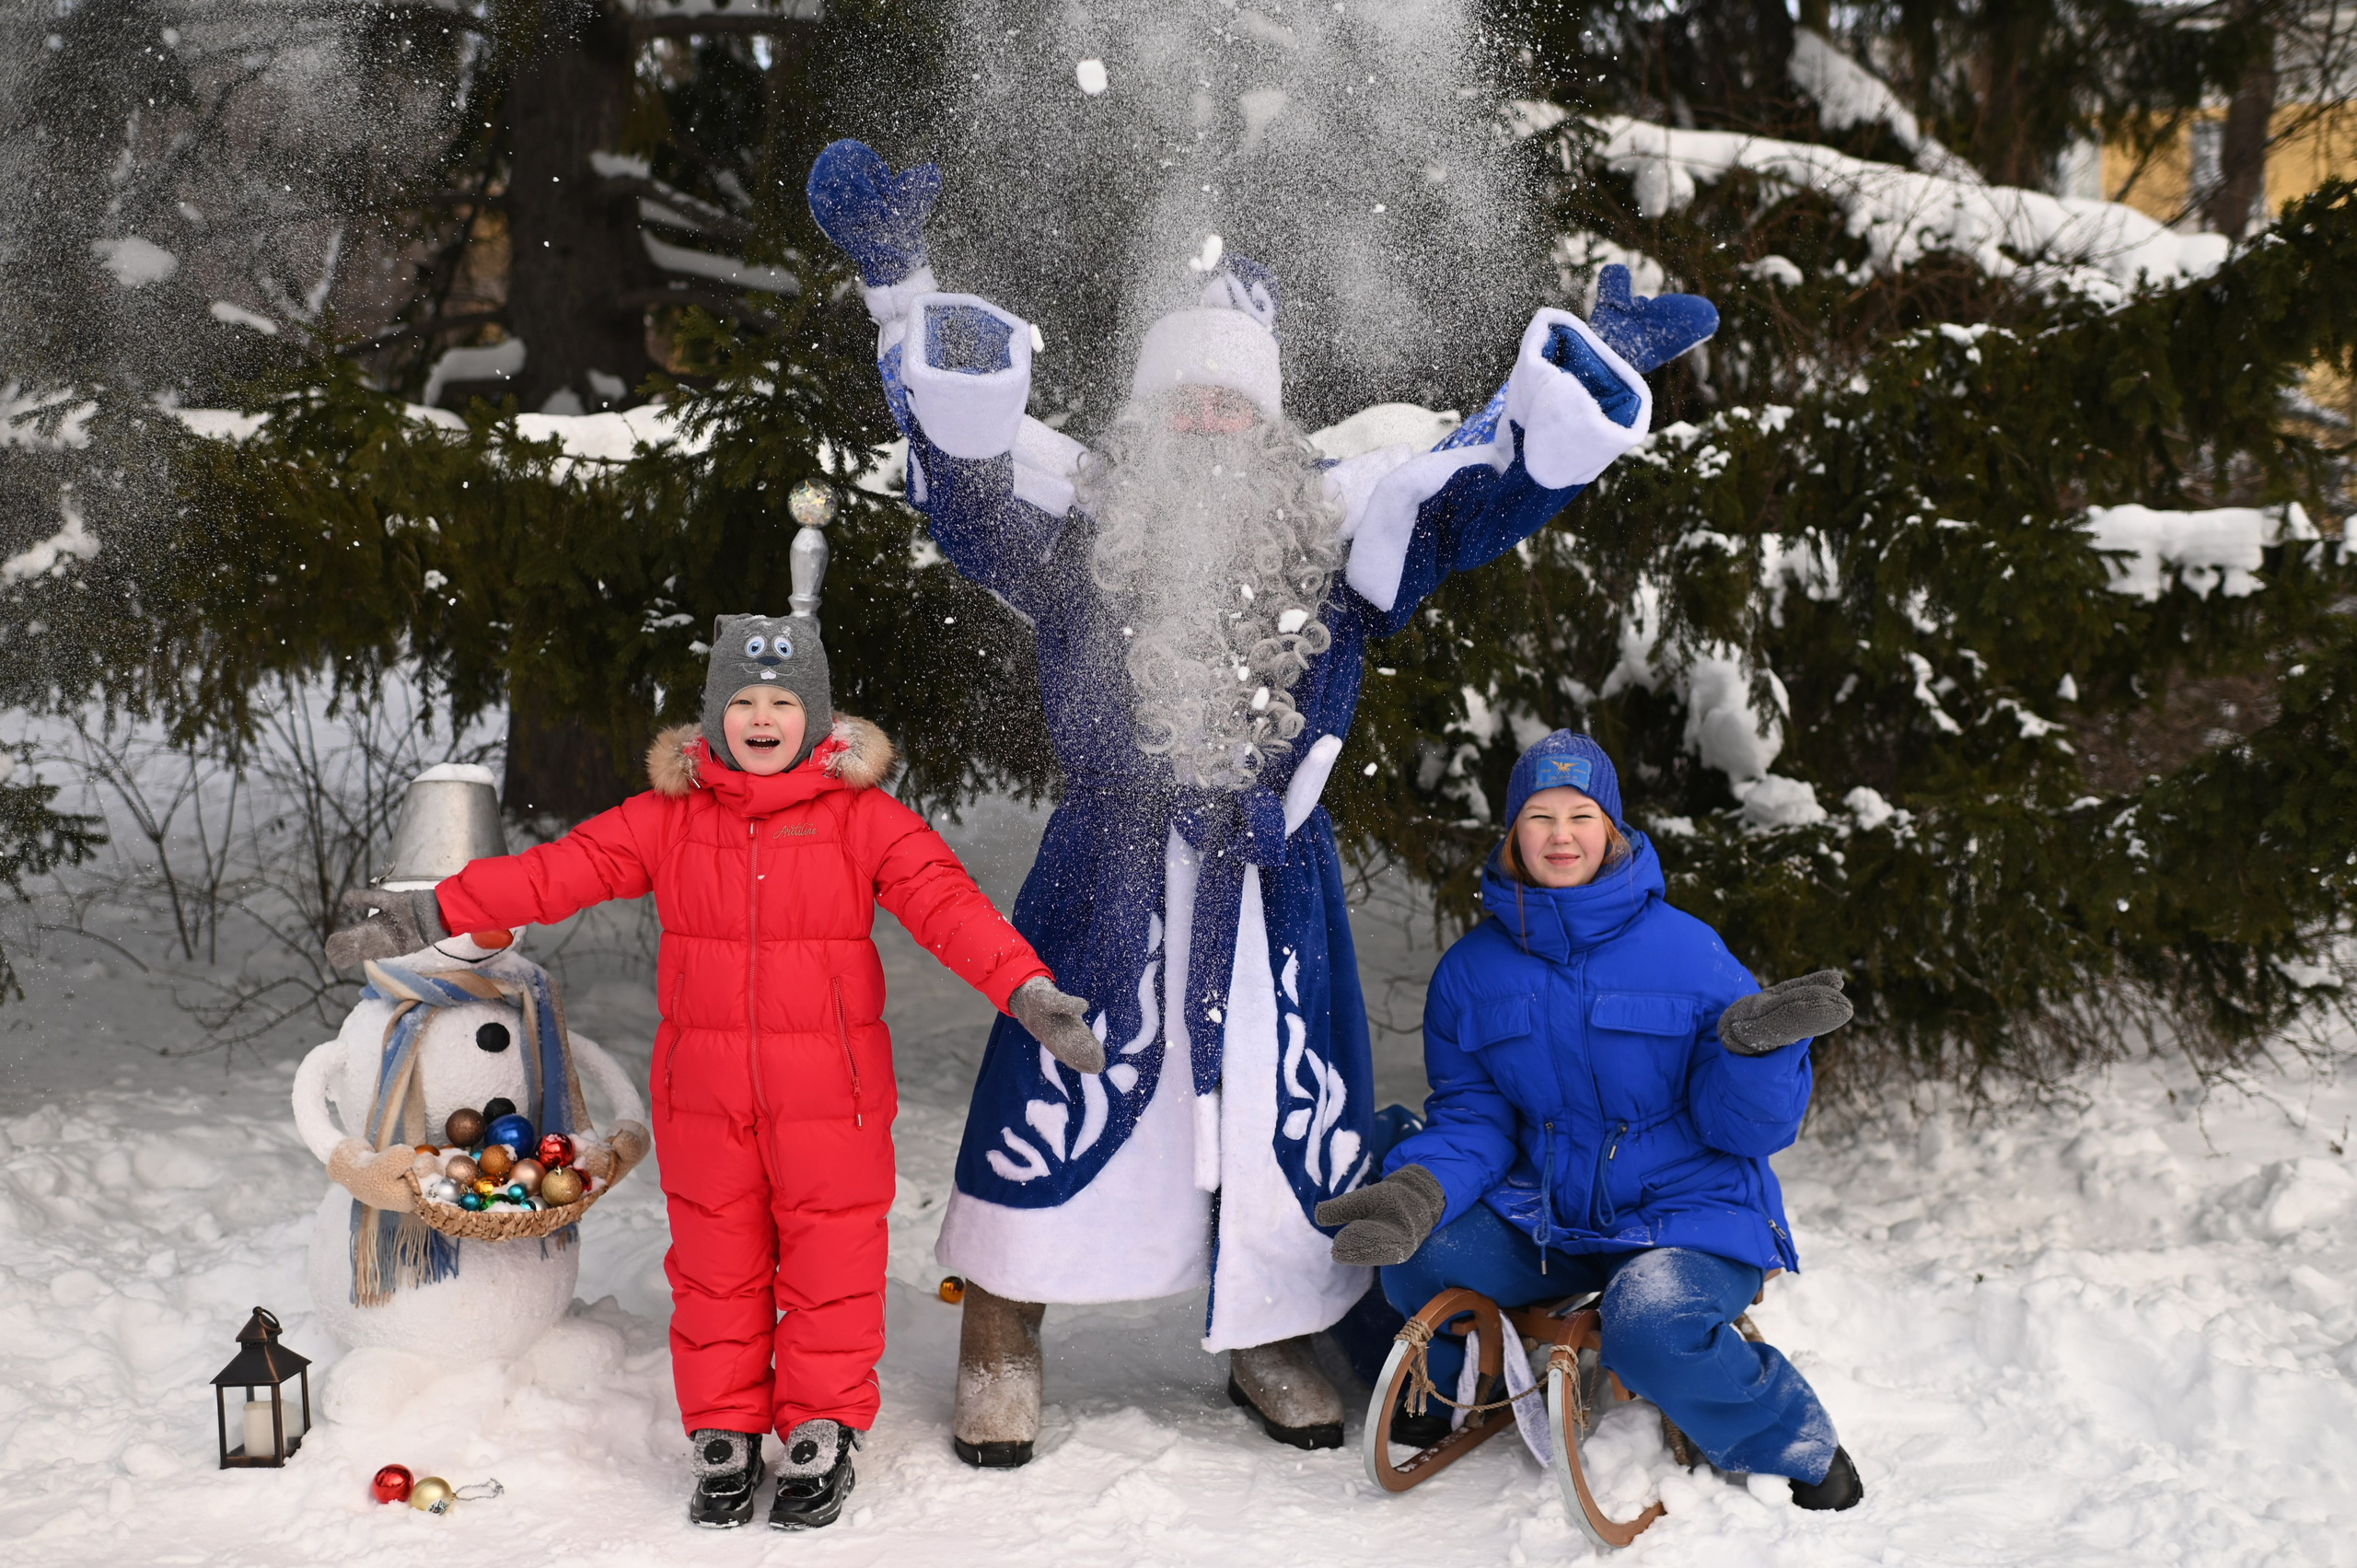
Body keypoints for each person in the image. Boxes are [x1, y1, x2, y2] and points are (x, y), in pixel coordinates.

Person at [804, 139, 1720, 1464]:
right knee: (1063, 1079)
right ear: (1149, 413)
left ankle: (1268, 1324)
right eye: (1187, 403)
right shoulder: (1078, 529)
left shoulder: (1342, 533)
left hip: (1273, 878)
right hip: (1108, 866)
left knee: (1283, 1108)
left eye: (1234, 406)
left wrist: (1589, 371)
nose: (1210, 424)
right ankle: (1002, 1320)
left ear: (1270, 421)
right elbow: (963, 468)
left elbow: (1485, 478)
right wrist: (904, 286)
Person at [324, 612, 1102, 1530]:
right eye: (742, 701)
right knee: (716, 1268)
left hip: (833, 1100)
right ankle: (725, 1429)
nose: (761, 717)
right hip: (705, 1099)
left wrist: (1025, 988)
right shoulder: (669, 818)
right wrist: (429, 913)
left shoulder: (865, 819)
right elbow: (551, 873)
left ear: (813, 717)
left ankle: (819, 1423)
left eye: (781, 701)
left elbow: (949, 904)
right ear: (713, 717)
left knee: (832, 1263)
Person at [1317, 730, 1866, 1511]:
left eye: (1581, 813)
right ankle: (1454, 1391)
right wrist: (1422, 1187)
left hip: (1688, 1215)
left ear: (1612, 829)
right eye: (1540, 815)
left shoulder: (1690, 951)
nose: (1561, 834)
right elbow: (1475, 1116)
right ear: (1514, 832)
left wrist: (1758, 1054)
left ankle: (1788, 1437)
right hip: (1551, 1221)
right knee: (1421, 1256)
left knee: (1650, 1320)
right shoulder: (1471, 973)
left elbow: (1745, 1131)